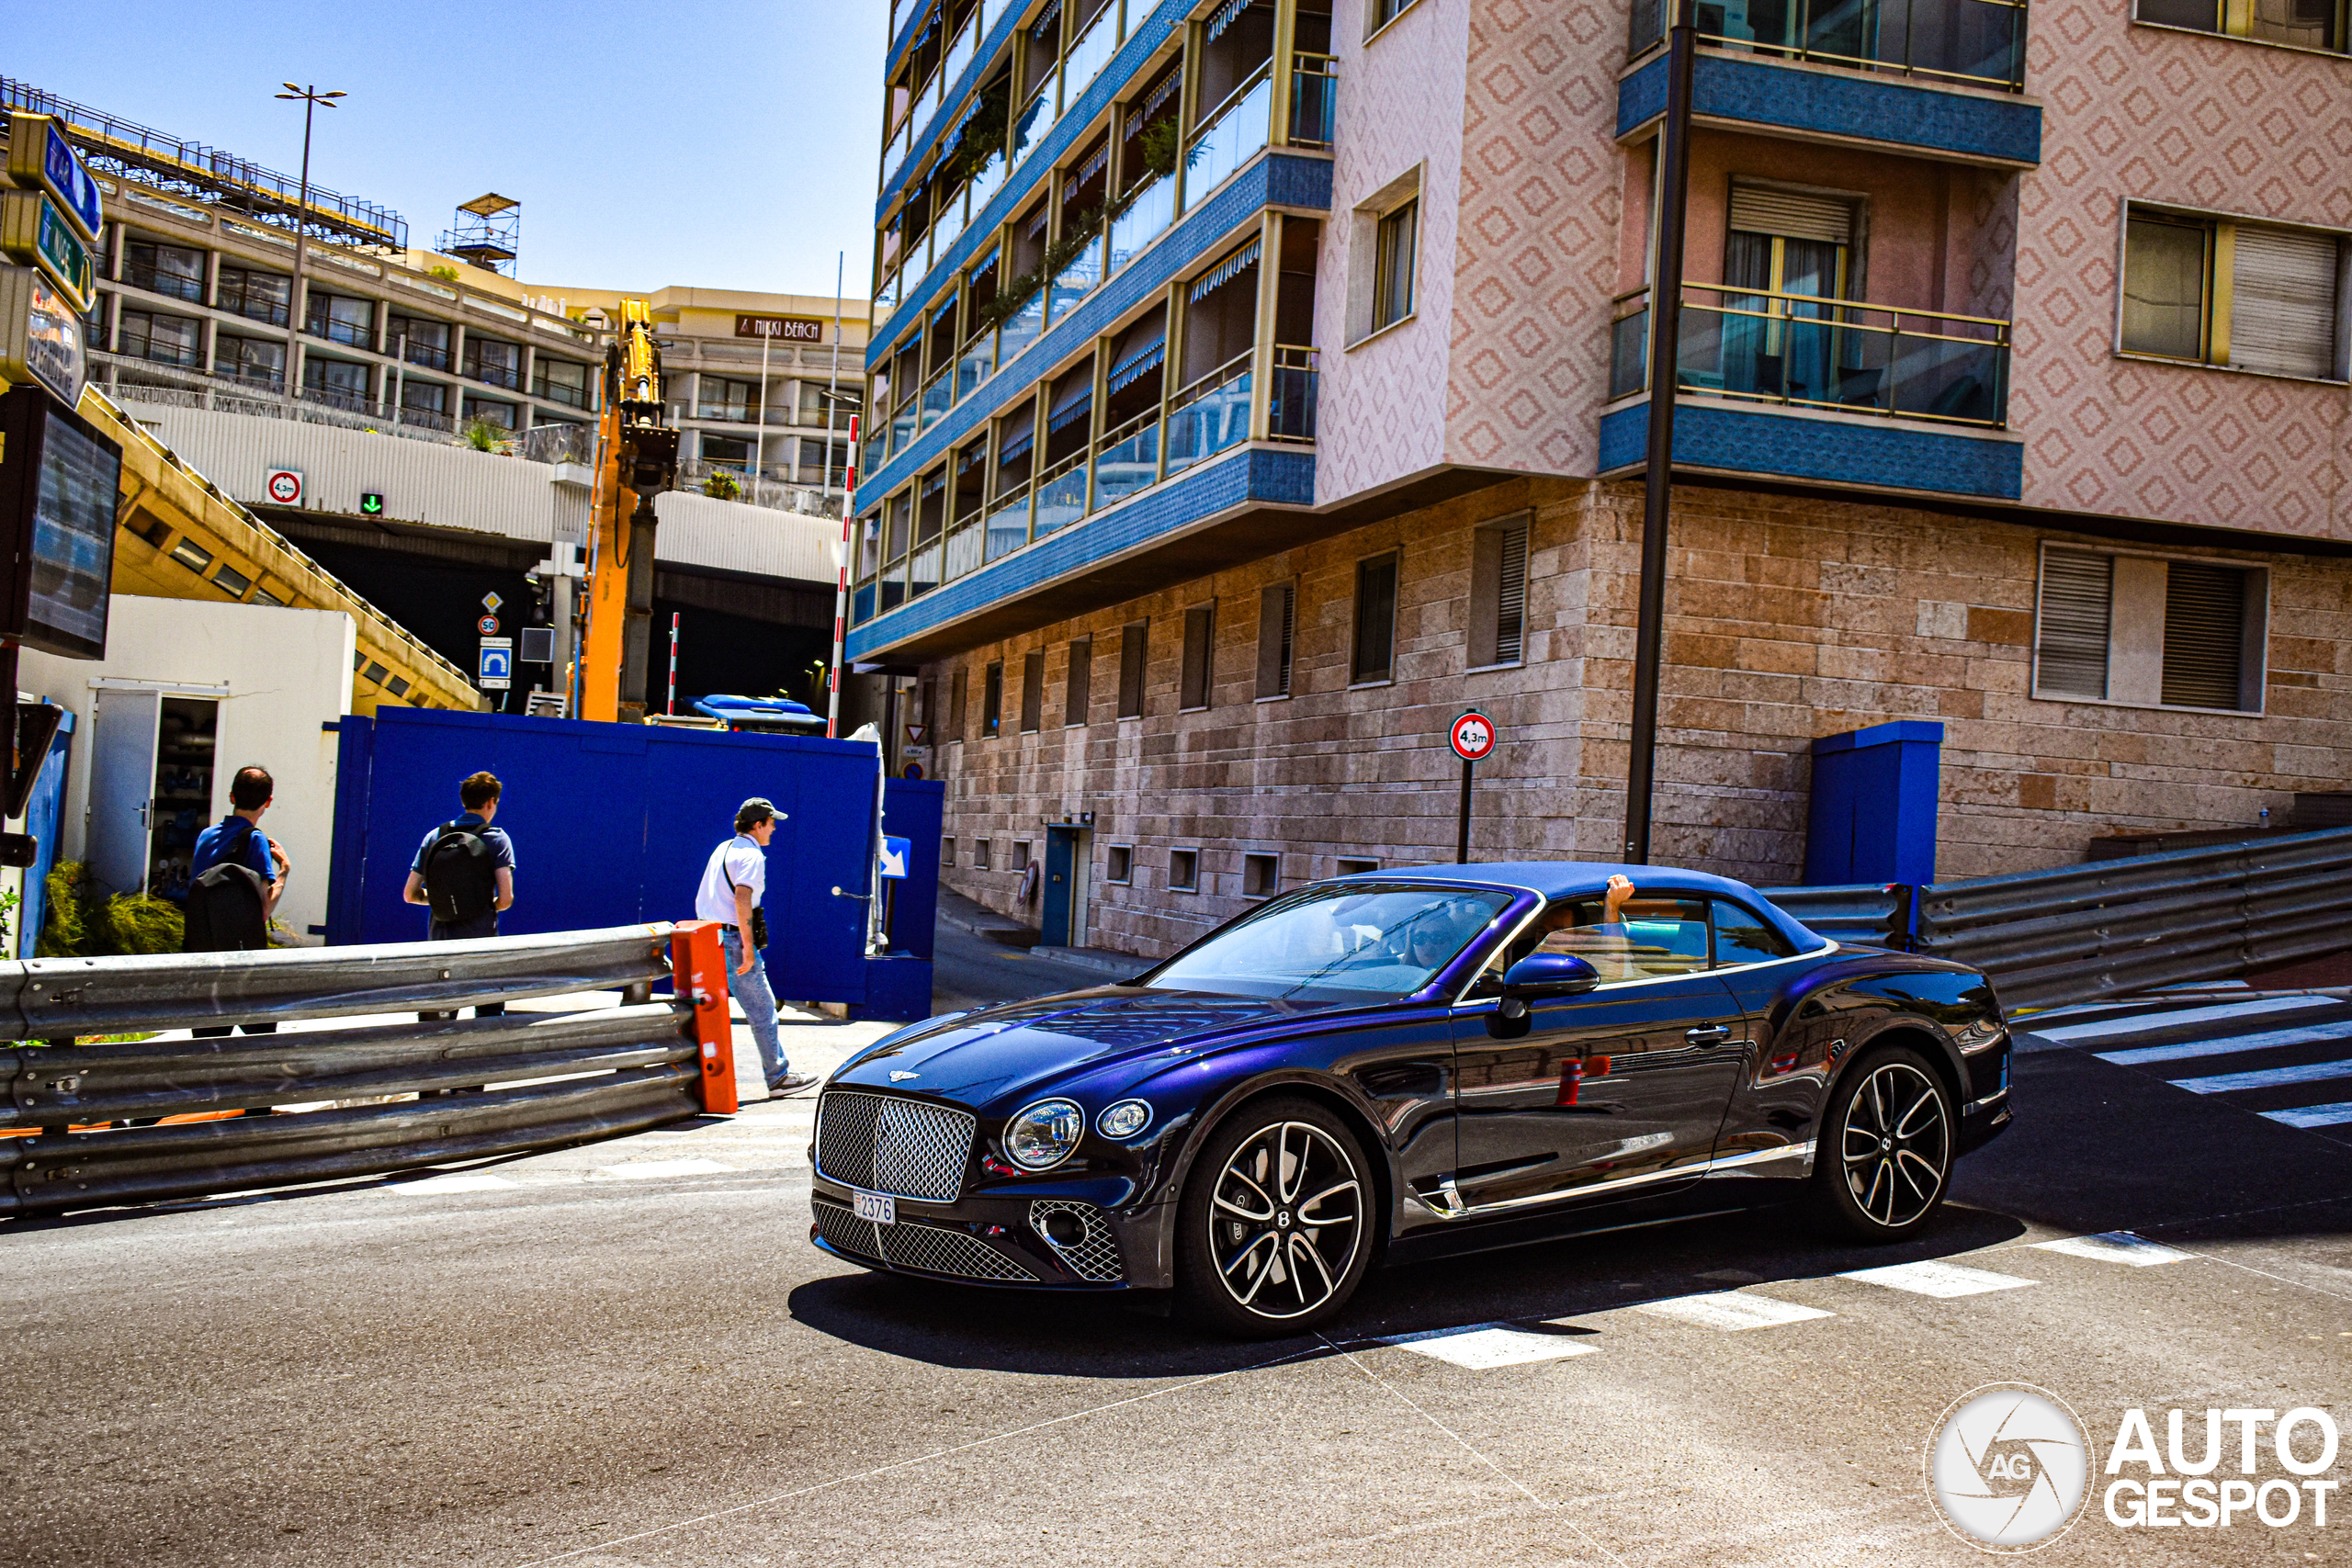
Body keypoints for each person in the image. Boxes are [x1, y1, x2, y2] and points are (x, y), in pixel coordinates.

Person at [695, 797, 814, 1097]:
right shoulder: (752, 856)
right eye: (771, 822)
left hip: (709, 937)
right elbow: (742, 899)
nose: (774, 828)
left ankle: (694, 1077)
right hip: (733, 940)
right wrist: (748, 948)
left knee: (703, 1010)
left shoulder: (724, 848)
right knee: (763, 1009)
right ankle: (778, 1077)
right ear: (758, 824)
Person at [186, 765, 288, 1040]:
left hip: (205, 951)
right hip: (242, 958)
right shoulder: (255, 841)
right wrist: (284, 872)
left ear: (232, 796)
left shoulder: (206, 836)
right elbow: (264, 909)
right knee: (260, 1037)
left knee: (209, 1041)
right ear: (267, 802)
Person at [403, 771, 515, 1021]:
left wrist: (442, 901)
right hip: (481, 941)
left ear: (464, 801)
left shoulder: (435, 836)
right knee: (488, 1009)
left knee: (438, 1011)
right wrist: (483, 907)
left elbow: (409, 894)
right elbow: (506, 898)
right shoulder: (496, 838)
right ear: (491, 802)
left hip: (441, 940)